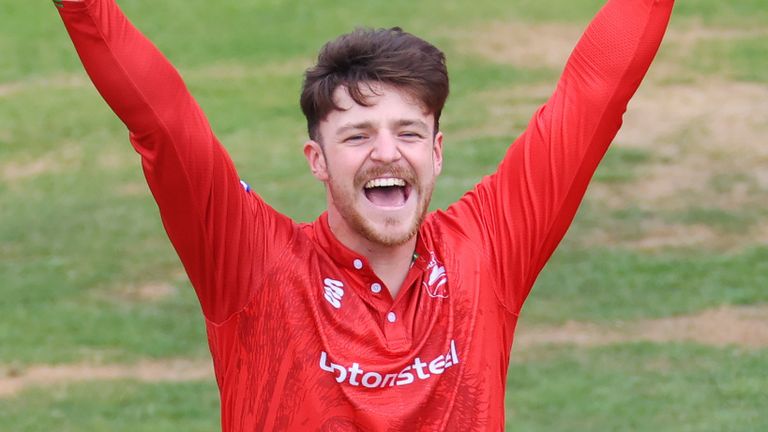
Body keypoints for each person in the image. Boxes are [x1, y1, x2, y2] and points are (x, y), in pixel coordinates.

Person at [54, 0, 674, 430]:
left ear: (436, 152)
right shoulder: (253, 266)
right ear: (316, 161)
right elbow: (163, 123)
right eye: (356, 136)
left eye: (408, 131)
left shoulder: (484, 253)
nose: (386, 151)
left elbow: (594, 97)